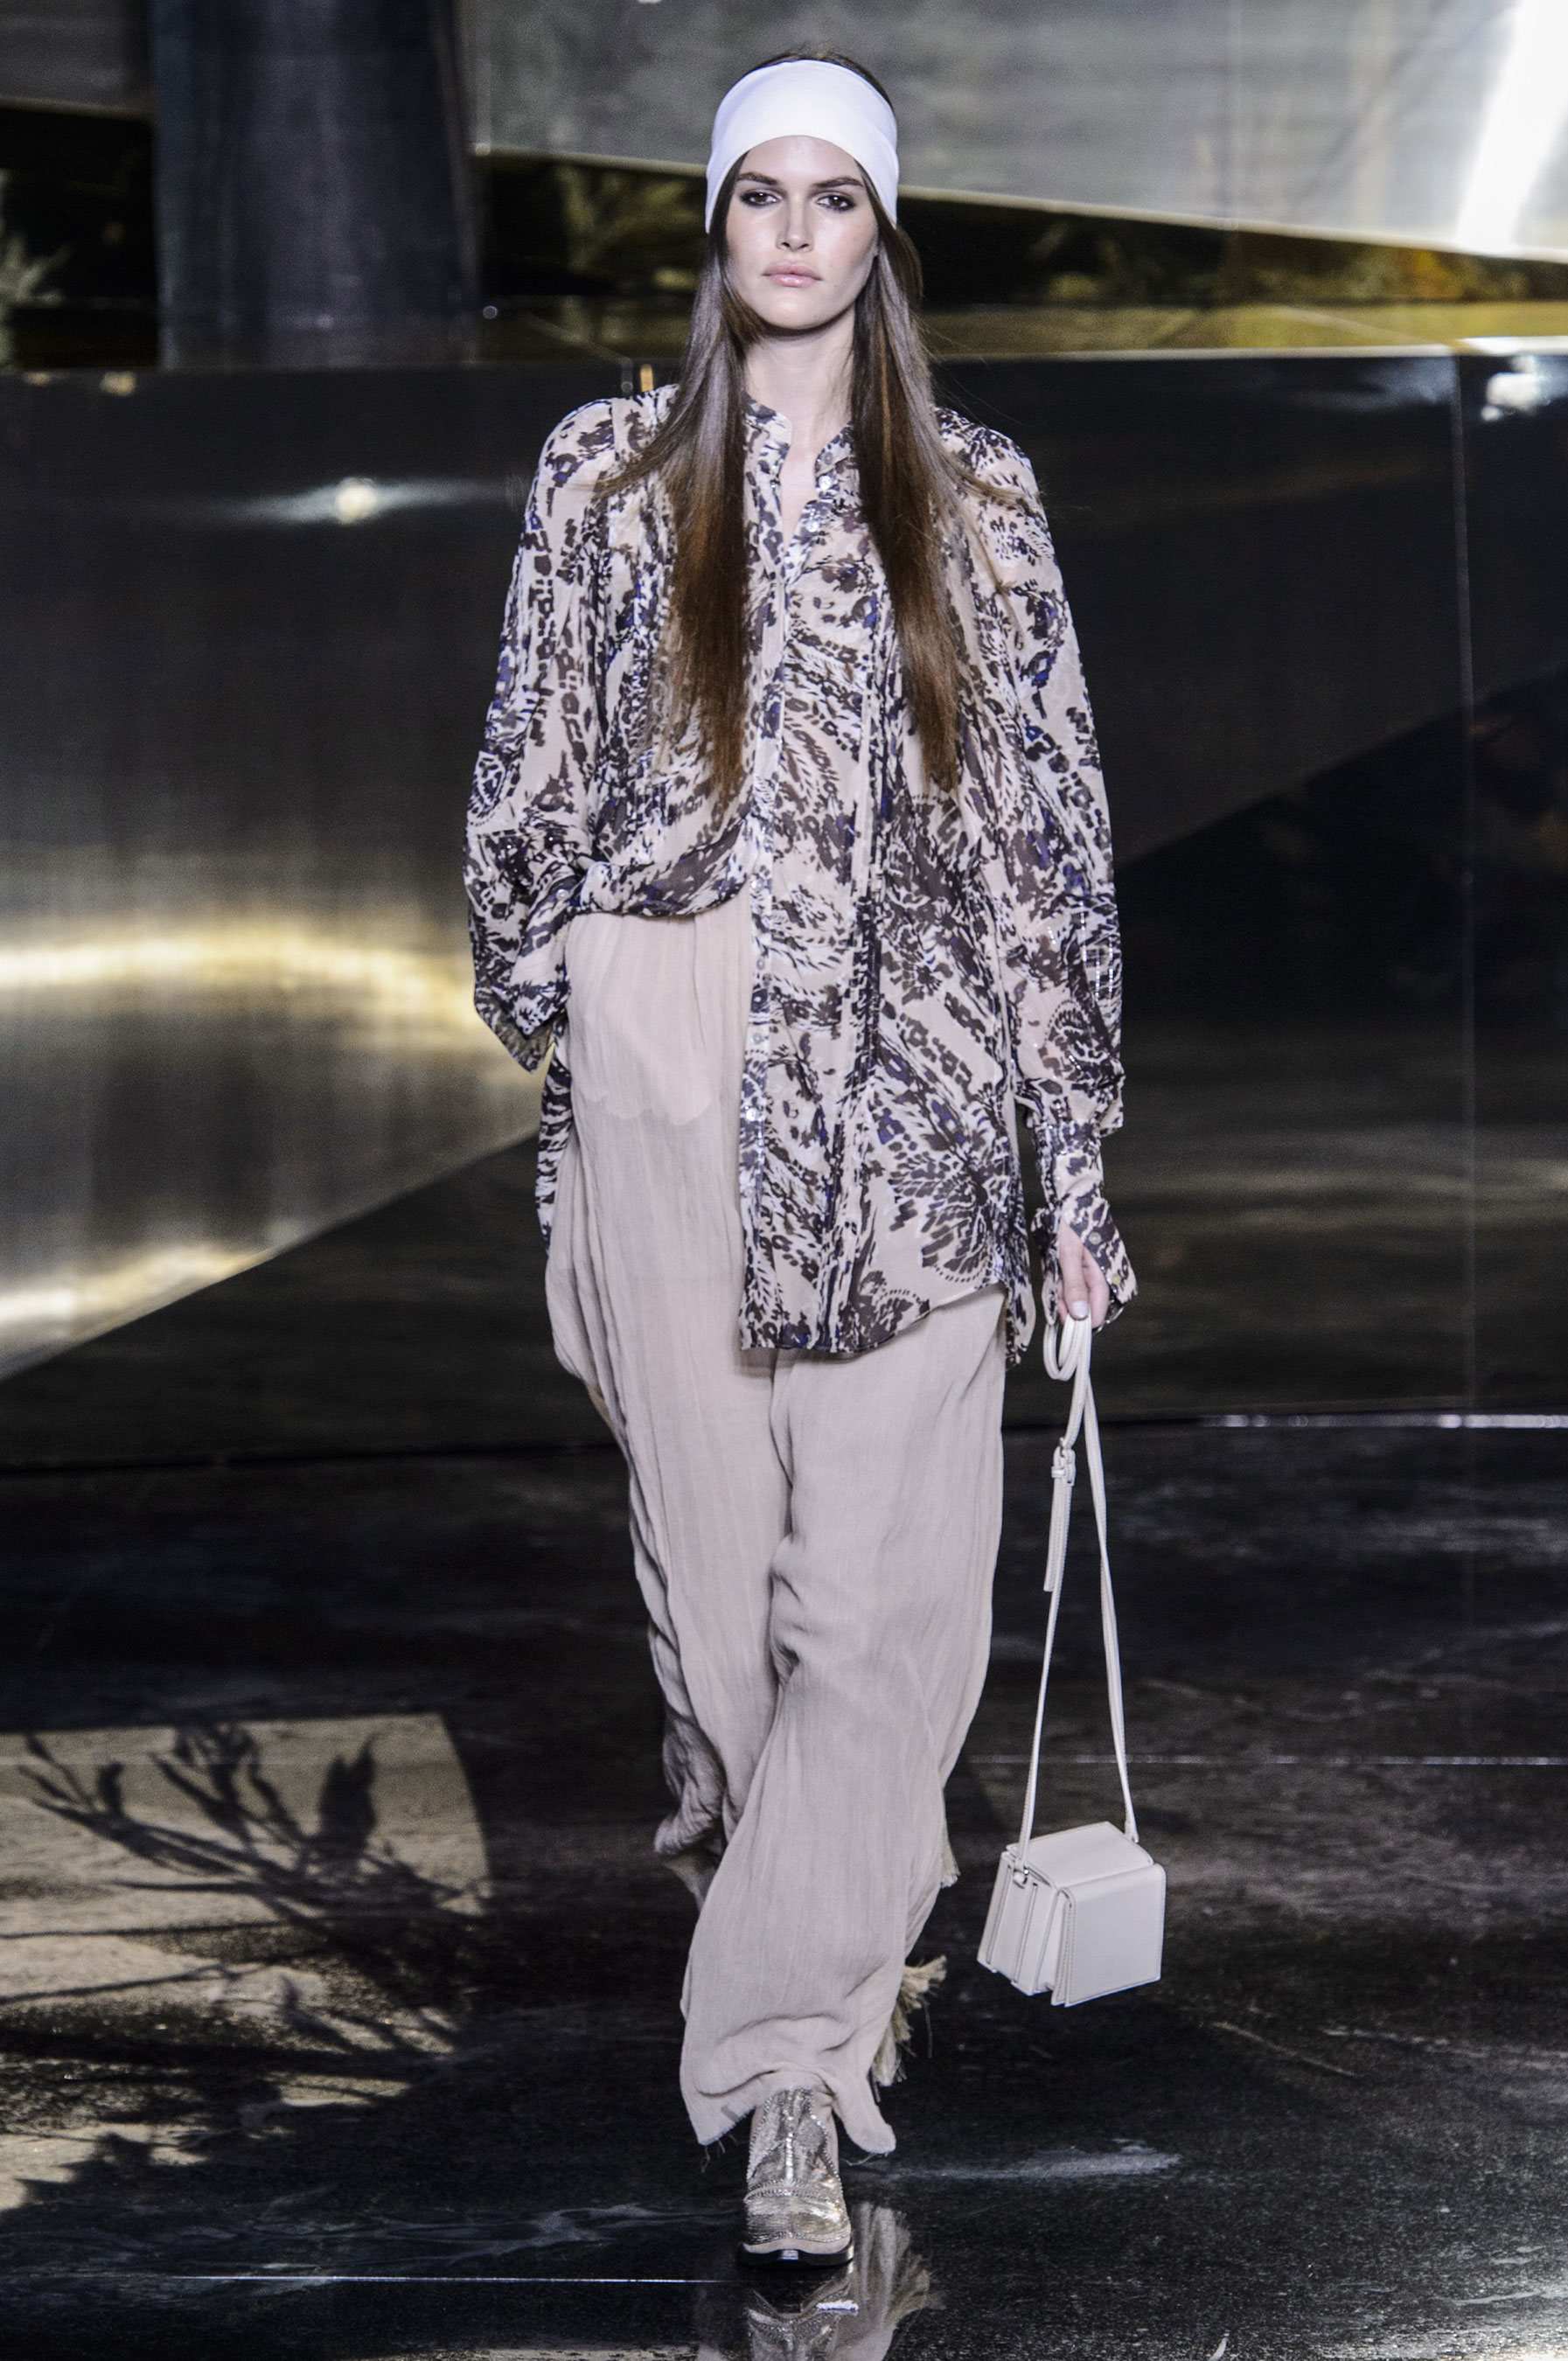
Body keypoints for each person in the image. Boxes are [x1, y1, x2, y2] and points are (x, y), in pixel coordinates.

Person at [466, 51, 1134, 2270]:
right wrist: (570, 1028)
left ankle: (783, 2078)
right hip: (671, 1055)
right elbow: (528, 774)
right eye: (760, 192)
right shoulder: (604, 475)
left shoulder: (980, 491)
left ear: (883, 235)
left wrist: (1073, 1166)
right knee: (722, 1613)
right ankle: (820, 1935)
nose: (793, 231)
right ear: (716, 227)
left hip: (922, 1088)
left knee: (883, 1612)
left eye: (834, 197)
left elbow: (1047, 837)